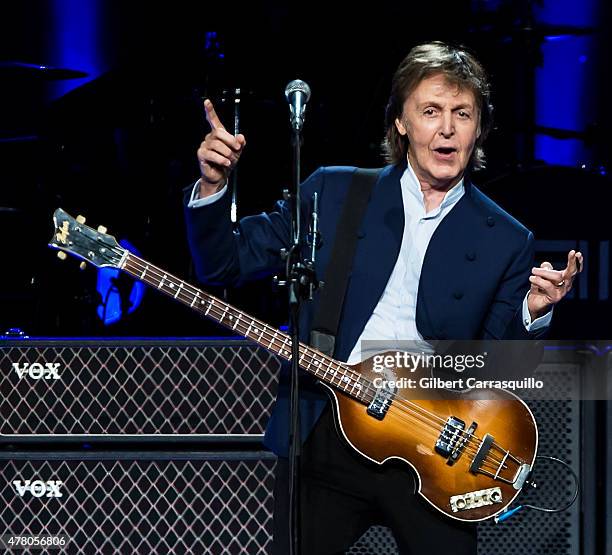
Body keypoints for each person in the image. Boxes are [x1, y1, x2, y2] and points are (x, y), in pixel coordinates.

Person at [184, 41, 582, 554]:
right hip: (326, 431)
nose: (447, 128)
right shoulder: (335, 192)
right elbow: (225, 264)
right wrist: (214, 186)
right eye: (431, 111)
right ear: (401, 123)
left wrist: (533, 313)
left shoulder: (506, 237)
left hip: (435, 448)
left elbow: (493, 370)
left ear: (479, 129)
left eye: (463, 114)